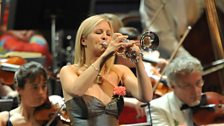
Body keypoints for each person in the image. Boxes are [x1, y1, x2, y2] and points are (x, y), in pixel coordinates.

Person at [59, 15, 153, 126]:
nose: (105, 37)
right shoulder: (68, 71)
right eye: (99, 32)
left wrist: (138, 60)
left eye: (109, 34)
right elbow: (77, 90)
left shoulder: (120, 71)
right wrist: (104, 57)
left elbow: (146, 96)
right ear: (83, 40)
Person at [145, 55, 224, 126]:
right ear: (172, 86)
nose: (195, 90)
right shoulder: (157, 107)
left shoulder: (211, 101)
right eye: (187, 86)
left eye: (198, 83)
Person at [139, 0, 224, 59]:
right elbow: (161, 37)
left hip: (206, 55)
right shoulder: (151, 1)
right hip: (168, 60)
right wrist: (186, 59)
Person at [0, 61, 68, 126]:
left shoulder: (53, 119)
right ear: (19, 89)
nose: (41, 92)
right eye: (35, 87)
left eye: (43, 86)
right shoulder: (4, 119)